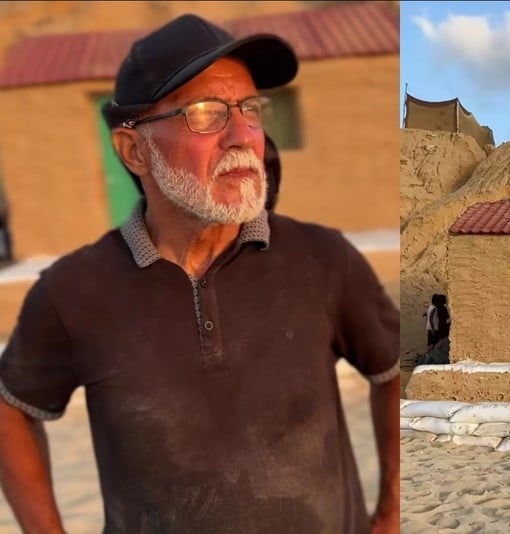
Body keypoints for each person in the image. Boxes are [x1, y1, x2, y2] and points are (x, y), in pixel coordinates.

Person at [0, 14, 399, 534]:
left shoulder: (324, 260)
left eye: (250, 109)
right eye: (207, 113)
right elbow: (12, 409)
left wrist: (390, 514)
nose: (244, 136)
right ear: (134, 151)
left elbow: (391, 370)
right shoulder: (72, 293)